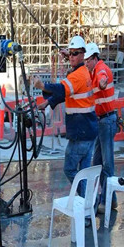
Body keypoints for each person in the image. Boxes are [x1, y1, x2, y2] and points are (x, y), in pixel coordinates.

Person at [33, 36, 98, 199]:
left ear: (84, 54)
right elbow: (67, 95)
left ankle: (89, 201)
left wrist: (43, 86)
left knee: (69, 169)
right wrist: (48, 102)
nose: (72, 57)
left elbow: (62, 89)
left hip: (81, 133)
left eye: (75, 54)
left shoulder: (78, 76)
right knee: (83, 172)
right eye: (70, 54)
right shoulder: (83, 72)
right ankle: (90, 202)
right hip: (89, 130)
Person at [84, 42, 118, 213]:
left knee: (107, 163)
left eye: (87, 60)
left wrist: (103, 82)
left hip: (106, 121)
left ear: (95, 57)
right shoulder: (92, 71)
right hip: (101, 121)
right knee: (97, 162)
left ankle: (107, 200)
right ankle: (109, 200)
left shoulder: (100, 69)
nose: (86, 63)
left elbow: (103, 79)